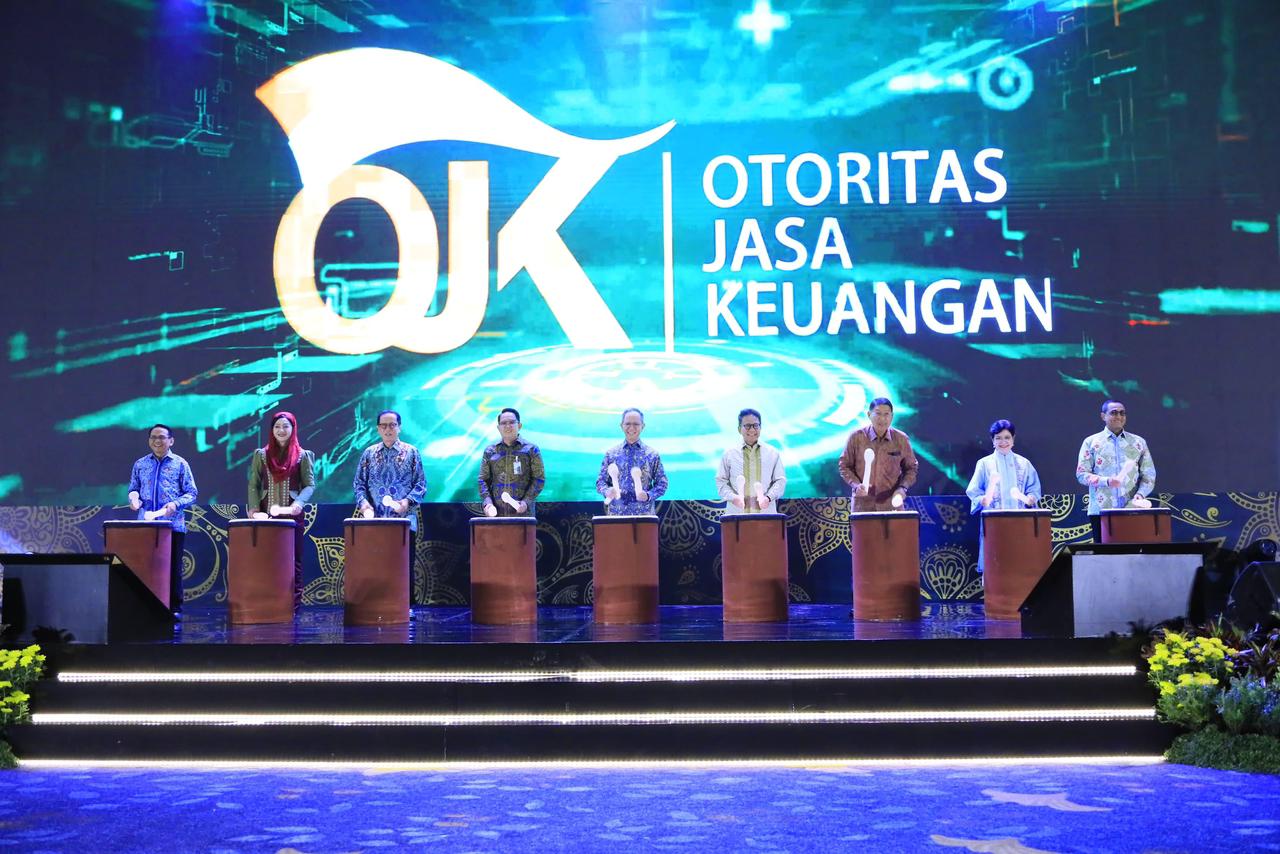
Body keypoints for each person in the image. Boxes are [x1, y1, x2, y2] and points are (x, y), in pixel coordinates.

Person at [127, 424, 198, 616]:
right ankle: (145, 609)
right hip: (145, 526)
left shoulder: (180, 464)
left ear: (171, 441)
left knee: (172, 569)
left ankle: (174, 609)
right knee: (145, 567)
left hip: (172, 526)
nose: (157, 441)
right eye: (153, 437)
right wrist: (133, 499)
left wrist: (175, 504)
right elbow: (133, 488)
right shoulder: (140, 464)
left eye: (161, 437)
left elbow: (192, 493)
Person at [247, 411, 316, 606]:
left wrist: (298, 503)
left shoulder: (302, 455)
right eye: (277, 427)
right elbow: (254, 484)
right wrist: (254, 509)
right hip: (266, 516)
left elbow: (309, 485)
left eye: (286, 426)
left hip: (292, 517)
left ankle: (292, 605)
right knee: (266, 558)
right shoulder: (261, 455)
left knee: (293, 561)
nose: (281, 430)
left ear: (293, 428)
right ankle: (268, 604)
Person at [965, 419, 1042, 573]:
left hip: (1020, 522)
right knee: (995, 563)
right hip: (993, 523)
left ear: (1013, 439)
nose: (1003, 442)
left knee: (1019, 562)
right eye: (998, 438)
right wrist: (982, 499)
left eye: (1007, 437)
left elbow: (1034, 490)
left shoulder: (1024, 464)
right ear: (992, 441)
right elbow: (973, 491)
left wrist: (1031, 498)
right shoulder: (984, 464)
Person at [352, 409, 428, 565]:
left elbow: (421, 484)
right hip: (375, 522)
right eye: (384, 426)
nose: (388, 429)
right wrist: (364, 504)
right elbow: (359, 484)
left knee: (403, 569)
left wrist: (406, 502)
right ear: (378, 429)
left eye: (392, 425)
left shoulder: (411, 452)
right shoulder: (369, 453)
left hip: (404, 522)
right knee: (376, 568)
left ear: (399, 427)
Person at [1076, 399, 1156, 540]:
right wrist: (1107, 481)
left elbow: (1149, 474)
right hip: (1101, 510)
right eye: (1113, 413)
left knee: (1131, 551)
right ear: (1103, 416)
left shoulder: (1138, 442)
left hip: (1131, 509)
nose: (1118, 416)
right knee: (1104, 552)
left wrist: (1141, 494)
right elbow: (1081, 474)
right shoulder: (1091, 442)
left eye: (1122, 413)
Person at [838, 397, 919, 512]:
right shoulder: (856, 437)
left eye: (886, 414)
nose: (882, 419)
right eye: (878, 413)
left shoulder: (901, 439)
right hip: (862, 505)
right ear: (869, 414)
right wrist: (856, 485)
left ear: (892, 416)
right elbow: (844, 466)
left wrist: (902, 488)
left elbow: (911, 468)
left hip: (892, 505)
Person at [596, 408, 668, 516]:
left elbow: (662, 483)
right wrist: (607, 491)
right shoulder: (611, 454)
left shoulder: (652, 455)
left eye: (636, 424)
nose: (632, 427)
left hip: (644, 515)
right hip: (616, 515)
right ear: (621, 426)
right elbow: (600, 482)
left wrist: (648, 495)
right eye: (628, 424)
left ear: (643, 426)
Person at [715, 408, 787, 514]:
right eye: (747, 426)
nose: (752, 430)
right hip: (736, 515)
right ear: (739, 429)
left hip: (766, 515)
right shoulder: (729, 454)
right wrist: (733, 498)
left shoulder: (772, 453)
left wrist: (768, 498)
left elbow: (780, 481)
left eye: (756, 425)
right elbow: (721, 481)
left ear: (760, 427)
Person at [478, 407, 546, 517]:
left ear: (519, 425)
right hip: (496, 515)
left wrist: (526, 502)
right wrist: (488, 504)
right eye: (503, 423)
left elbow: (539, 479)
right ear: (498, 428)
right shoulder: (490, 451)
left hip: (524, 515)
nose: (507, 426)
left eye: (511, 422)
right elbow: (483, 480)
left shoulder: (531, 449)